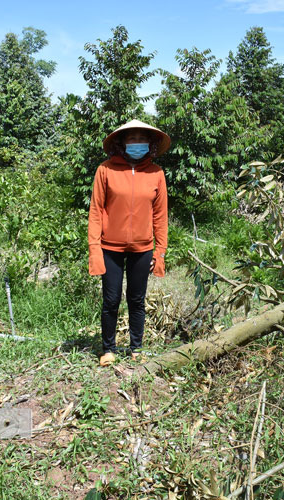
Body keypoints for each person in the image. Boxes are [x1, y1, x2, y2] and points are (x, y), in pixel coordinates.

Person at [87, 119, 170, 367]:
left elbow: (160, 215)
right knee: (111, 300)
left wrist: (160, 250)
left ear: (149, 144)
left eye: (140, 139)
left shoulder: (156, 173)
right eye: (131, 139)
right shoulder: (105, 170)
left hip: (142, 248)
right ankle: (108, 349)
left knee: (136, 299)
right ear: (121, 144)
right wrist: (94, 249)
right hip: (109, 247)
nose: (136, 143)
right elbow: (95, 211)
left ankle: (136, 348)